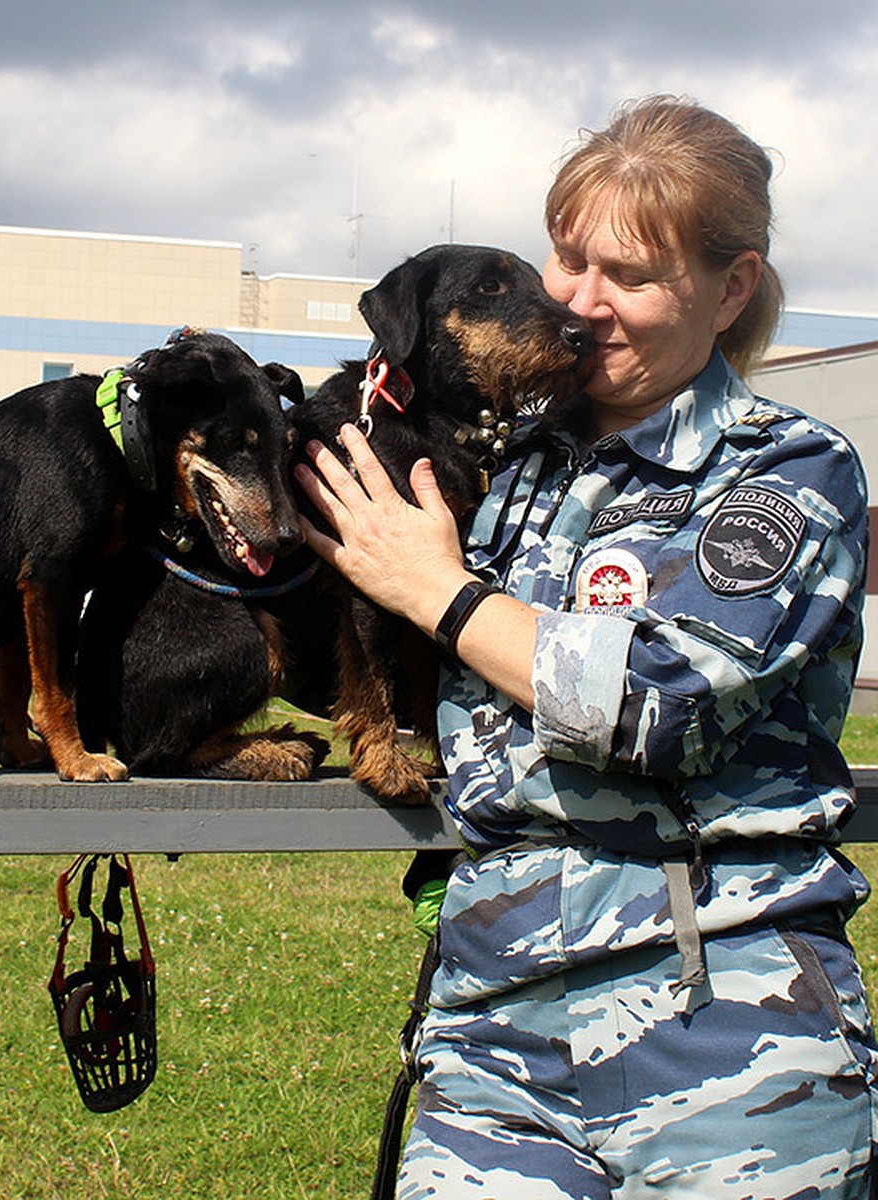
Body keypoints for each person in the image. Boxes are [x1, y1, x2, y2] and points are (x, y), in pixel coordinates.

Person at [296, 95, 875, 1199]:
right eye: (567, 260)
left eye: (632, 275)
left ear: (731, 287)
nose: (582, 305)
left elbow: (667, 704)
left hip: (722, 1034)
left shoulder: (784, 471)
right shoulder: (501, 466)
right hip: (493, 1038)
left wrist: (440, 591)